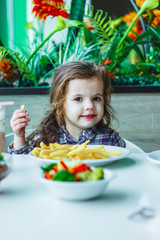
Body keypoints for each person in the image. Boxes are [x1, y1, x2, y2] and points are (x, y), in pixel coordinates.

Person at [9, 61, 126, 154]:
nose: (90, 106)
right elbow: (22, 165)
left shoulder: (111, 140)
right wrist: (19, 136)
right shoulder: (45, 138)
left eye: (96, 98)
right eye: (78, 99)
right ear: (60, 104)